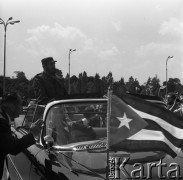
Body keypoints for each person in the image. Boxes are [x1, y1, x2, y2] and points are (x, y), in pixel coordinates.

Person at [0, 92, 43, 179]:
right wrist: (33, 133)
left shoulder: (3, 117)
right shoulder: (1, 122)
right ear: (12, 106)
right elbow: (13, 148)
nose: (22, 108)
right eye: (20, 104)